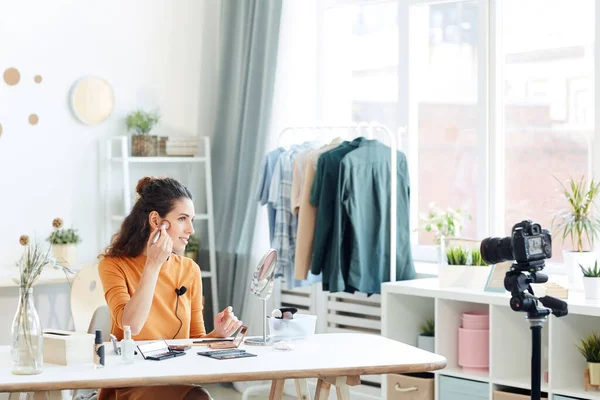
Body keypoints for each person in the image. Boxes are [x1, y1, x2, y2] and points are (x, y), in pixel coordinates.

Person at [98, 176, 243, 400]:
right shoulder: (113, 265)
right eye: (183, 219)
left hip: (175, 376)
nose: (191, 229)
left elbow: (195, 339)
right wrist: (153, 265)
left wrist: (218, 335)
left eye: (191, 219)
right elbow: (131, 325)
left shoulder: (190, 270)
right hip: (130, 380)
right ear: (156, 220)